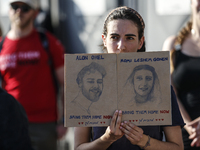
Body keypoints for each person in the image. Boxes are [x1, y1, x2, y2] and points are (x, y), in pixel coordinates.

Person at [74, 6, 184, 150]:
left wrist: (143, 141)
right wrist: (106, 139)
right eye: (114, 37)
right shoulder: (90, 87)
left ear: (140, 42)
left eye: (129, 38)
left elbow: (177, 147)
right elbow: (78, 147)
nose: (121, 46)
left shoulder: (160, 87)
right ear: (104, 40)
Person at [0, 0, 67, 150]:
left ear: (35, 13)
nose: (19, 11)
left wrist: (64, 120)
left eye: (25, 8)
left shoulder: (48, 41)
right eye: (15, 7)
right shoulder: (1, 45)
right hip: (10, 122)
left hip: (44, 125)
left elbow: (66, 83)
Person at [162, 0, 200, 149]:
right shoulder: (173, 45)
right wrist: (189, 126)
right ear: (191, 2)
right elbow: (168, 91)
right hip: (186, 134)